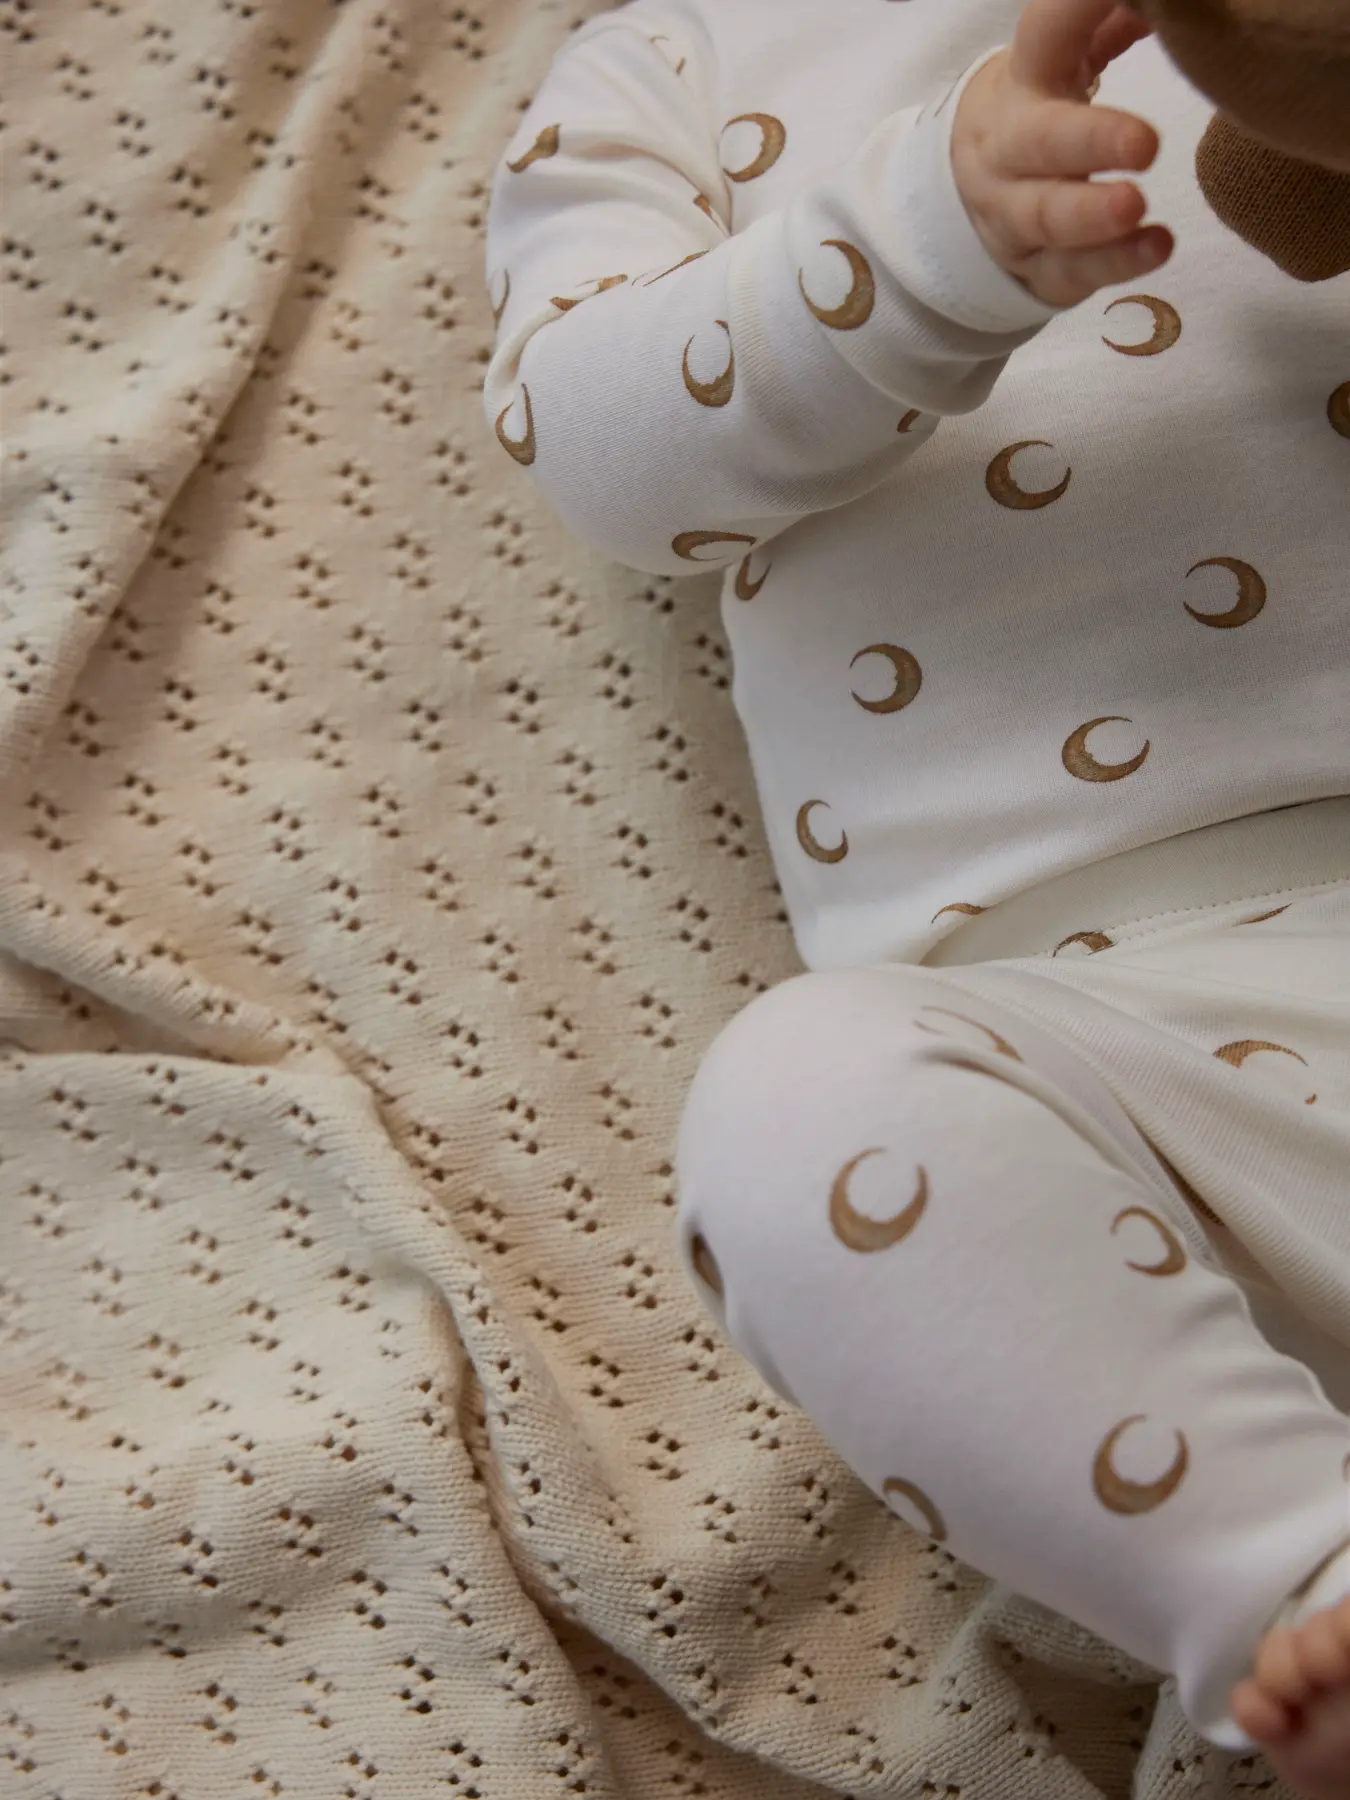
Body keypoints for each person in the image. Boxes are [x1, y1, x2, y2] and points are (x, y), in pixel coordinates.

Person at [482, 0, 1350, 1789]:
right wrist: (914, 245)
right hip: (1112, 1048)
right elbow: (597, 450)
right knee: (805, 1108)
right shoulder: (671, 61)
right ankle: (1299, 1579)